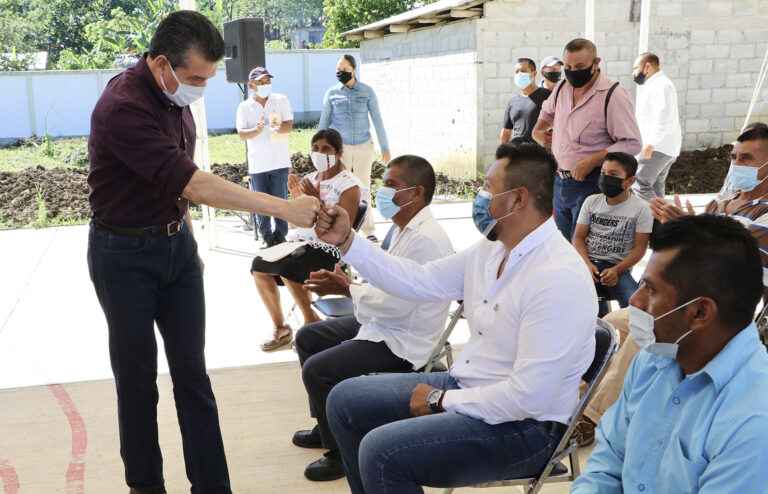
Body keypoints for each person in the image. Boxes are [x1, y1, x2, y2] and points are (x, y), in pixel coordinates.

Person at [86, 11, 318, 494]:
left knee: (193, 376)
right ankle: (145, 486)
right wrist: (286, 210)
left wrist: (184, 236)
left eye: (209, 79)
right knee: (137, 381)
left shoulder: (175, 96)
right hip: (123, 254)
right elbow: (194, 181)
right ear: (162, 64)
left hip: (175, 249)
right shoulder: (123, 106)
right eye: (195, 78)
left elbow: (175, 178)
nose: (200, 89)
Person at [314, 142, 597, 494]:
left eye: (489, 187)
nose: (481, 197)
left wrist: (440, 401)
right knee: (344, 401)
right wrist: (347, 240)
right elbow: (416, 280)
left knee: (382, 452)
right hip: (469, 388)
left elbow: (529, 399)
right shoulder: (493, 250)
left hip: (524, 429)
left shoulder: (557, 277)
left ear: (518, 199)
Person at [574, 124, 768, 447]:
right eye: (734, 156)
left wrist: (691, 227)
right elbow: (689, 254)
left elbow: (729, 258)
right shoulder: (723, 201)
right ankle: (579, 396)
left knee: (643, 331)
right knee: (607, 325)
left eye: (746, 158)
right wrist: (679, 231)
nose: (736, 164)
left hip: (719, 312)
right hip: (682, 296)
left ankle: (591, 421)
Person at [571, 215, 768, 493]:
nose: (636, 300)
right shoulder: (653, 359)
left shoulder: (754, 419)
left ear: (700, 312)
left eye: (651, 289)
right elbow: (607, 465)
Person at [292, 155, 454, 482]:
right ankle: (326, 425)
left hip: (403, 339)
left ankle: (339, 452)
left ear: (417, 193)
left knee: (318, 370)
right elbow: (385, 281)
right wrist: (351, 285)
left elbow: (398, 306)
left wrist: (348, 289)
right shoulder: (403, 229)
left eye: (391, 185)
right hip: (384, 321)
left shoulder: (425, 238)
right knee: (307, 338)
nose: (382, 191)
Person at [250, 129, 362, 351]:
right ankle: (280, 327)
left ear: (339, 153)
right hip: (300, 242)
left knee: (289, 267)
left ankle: (311, 322)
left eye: (326, 149)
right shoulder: (309, 179)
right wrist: (297, 205)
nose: (319, 153)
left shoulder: (349, 184)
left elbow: (343, 228)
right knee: (259, 266)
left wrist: (316, 200)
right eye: (315, 148)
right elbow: (297, 223)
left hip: (328, 248)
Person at [532, 38, 642, 241]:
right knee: (563, 248)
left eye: (580, 66)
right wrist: (537, 132)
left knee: (586, 250)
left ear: (596, 63)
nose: (573, 71)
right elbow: (546, 114)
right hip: (560, 183)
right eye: (568, 66)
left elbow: (632, 142)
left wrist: (591, 161)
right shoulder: (561, 87)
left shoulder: (612, 94)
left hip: (591, 184)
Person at [319, 54, 391, 242]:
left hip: (363, 145)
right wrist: (318, 150)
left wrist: (385, 148)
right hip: (340, 149)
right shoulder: (332, 93)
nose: (341, 73)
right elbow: (323, 123)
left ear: (354, 70)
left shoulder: (367, 92)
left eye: (345, 69)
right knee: (339, 188)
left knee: (363, 187)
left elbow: (377, 120)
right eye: (338, 70)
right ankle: (341, 228)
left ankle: (368, 231)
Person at [573, 152, 652, 316]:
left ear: (630, 181)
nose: (605, 178)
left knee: (637, 308)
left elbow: (640, 248)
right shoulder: (591, 201)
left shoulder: (641, 208)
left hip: (618, 268)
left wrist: (616, 270)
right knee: (572, 303)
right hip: (588, 265)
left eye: (613, 174)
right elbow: (578, 238)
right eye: (603, 173)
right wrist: (587, 264)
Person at [236, 66, 293, 247]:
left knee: (280, 201)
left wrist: (279, 128)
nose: (265, 85)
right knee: (260, 203)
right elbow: (242, 133)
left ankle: (280, 234)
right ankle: (266, 236)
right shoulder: (244, 106)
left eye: (268, 81)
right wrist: (256, 130)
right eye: (261, 82)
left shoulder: (280, 99)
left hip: (279, 161)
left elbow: (288, 124)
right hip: (258, 164)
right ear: (251, 85)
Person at [631, 52, 682, 202]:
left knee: (640, 185)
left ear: (647, 67)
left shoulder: (661, 86)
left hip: (657, 148)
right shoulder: (657, 84)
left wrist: (650, 144)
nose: (634, 73)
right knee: (655, 187)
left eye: (636, 68)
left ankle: (655, 220)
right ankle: (660, 222)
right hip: (662, 147)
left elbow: (663, 117)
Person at [499, 58, 551, 144]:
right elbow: (506, 132)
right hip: (518, 155)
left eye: (523, 71)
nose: (519, 74)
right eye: (516, 72)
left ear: (534, 74)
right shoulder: (512, 102)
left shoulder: (548, 96)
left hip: (541, 155)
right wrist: (501, 156)